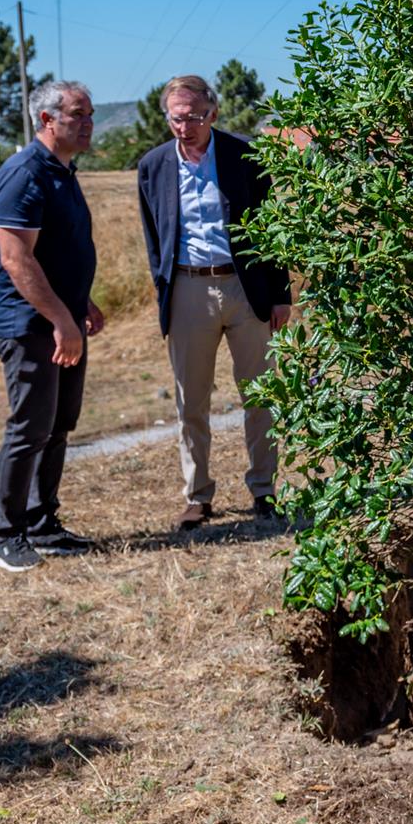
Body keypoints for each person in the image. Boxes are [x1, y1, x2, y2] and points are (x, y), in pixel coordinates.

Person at [135, 74, 293, 528]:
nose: (185, 126)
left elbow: (271, 228)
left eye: (194, 117)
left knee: (261, 394)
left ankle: (264, 490)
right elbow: (154, 238)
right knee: (192, 401)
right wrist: (164, 293)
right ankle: (197, 494)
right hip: (187, 289)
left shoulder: (244, 155)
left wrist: (280, 295)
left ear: (213, 113)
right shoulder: (153, 165)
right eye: (176, 118)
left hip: (245, 289)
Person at [0, 80, 103, 573]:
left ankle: (42, 523)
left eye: (91, 113)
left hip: (62, 320)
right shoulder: (25, 174)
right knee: (29, 427)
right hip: (31, 325)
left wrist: (83, 303)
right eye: (78, 114)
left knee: (57, 425)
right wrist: (61, 319)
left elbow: (57, 252)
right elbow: (17, 260)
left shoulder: (62, 171)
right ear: (46, 120)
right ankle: (7, 535)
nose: (88, 122)